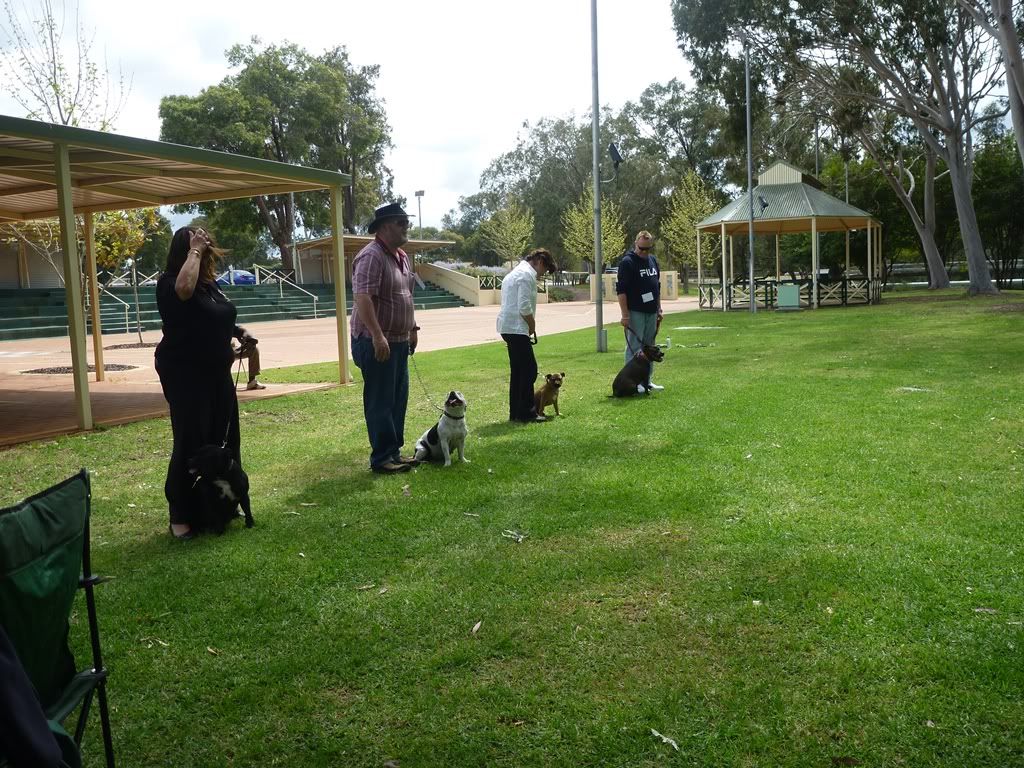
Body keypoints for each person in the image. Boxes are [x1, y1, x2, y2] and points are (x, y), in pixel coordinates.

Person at [155, 226, 255, 539]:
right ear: (183, 252)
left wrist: (239, 333)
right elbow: (184, 293)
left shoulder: (210, 285)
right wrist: (194, 249)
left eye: (204, 245)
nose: (203, 249)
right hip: (186, 376)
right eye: (196, 246)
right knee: (192, 442)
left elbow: (218, 317)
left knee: (225, 439)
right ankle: (181, 516)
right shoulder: (170, 282)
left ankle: (224, 500)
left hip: (217, 374)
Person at [350, 203, 420, 475]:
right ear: (383, 226)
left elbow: (407, 297)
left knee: (398, 398)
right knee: (381, 399)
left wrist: (413, 328)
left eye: (406, 221)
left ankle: (393, 452)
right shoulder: (372, 256)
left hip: (400, 340)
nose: (406, 226)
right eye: (400, 222)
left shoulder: (401, 256)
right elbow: (363, 298)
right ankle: (381, 458)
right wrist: (378, 336)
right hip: (375, 341)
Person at [496, 247, 556, 422]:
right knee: (529, 370)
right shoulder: (526, 275)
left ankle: (515, 413)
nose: (542, 274)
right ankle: (527, 413)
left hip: (508, 327)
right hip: (516, 328)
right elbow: (523, 306)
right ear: (540, 261)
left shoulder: (514, 273)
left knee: (519, 371)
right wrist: (532, 324)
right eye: (545, 270)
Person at [616, 230, 664, 392]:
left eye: (647, 249)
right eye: (641, 248)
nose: (644, 252)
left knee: (650, 347)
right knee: (635, 347)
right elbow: (621, 290)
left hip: (651, 311)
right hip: (635, 310)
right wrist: (625, 315)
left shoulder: (652, 261)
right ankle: (632, 383)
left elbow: (656, 286)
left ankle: (647, 382)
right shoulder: (627, 262)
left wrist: (659, 308)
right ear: (636, 244)